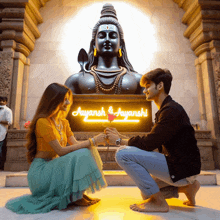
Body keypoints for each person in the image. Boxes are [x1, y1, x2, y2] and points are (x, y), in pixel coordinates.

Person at [105, 68, 201, 212]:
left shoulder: (171, 111)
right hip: (185, 168)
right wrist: (123, 139)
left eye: (148, 86)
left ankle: (159, 203)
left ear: (160, 86)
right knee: (146, 193)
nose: (145, 90)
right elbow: (152, 143)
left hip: (181, 167)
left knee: (122, 154)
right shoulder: (167, 110)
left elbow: (148, 144)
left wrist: (119, 141)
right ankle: (188, 187)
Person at [5, 83, 108, 214]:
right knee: (84, 150)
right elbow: (60, 151)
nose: (67, 102)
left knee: (88, 150)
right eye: (63, 99)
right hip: (41, 173)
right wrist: (93, 140)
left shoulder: (64, 122)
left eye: (68, 99)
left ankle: (77, 194)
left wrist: (96, 141)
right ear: (53, 100)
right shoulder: (43, 122)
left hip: (54, 169)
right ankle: (75, 196)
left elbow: (75, 144)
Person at [65, 3, 143, 95]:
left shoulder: (138, 81)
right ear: (94, 44)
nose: (107, 39)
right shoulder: (76, 80)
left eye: (112, 36)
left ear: (121, 45)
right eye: (102, 36)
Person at [0, 96, 13, 170]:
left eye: (3, 101)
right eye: (0, 100)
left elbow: (9, 122)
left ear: (6, 102)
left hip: (2, 133)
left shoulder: (8, 110)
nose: (1, 102)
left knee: (1, 151)